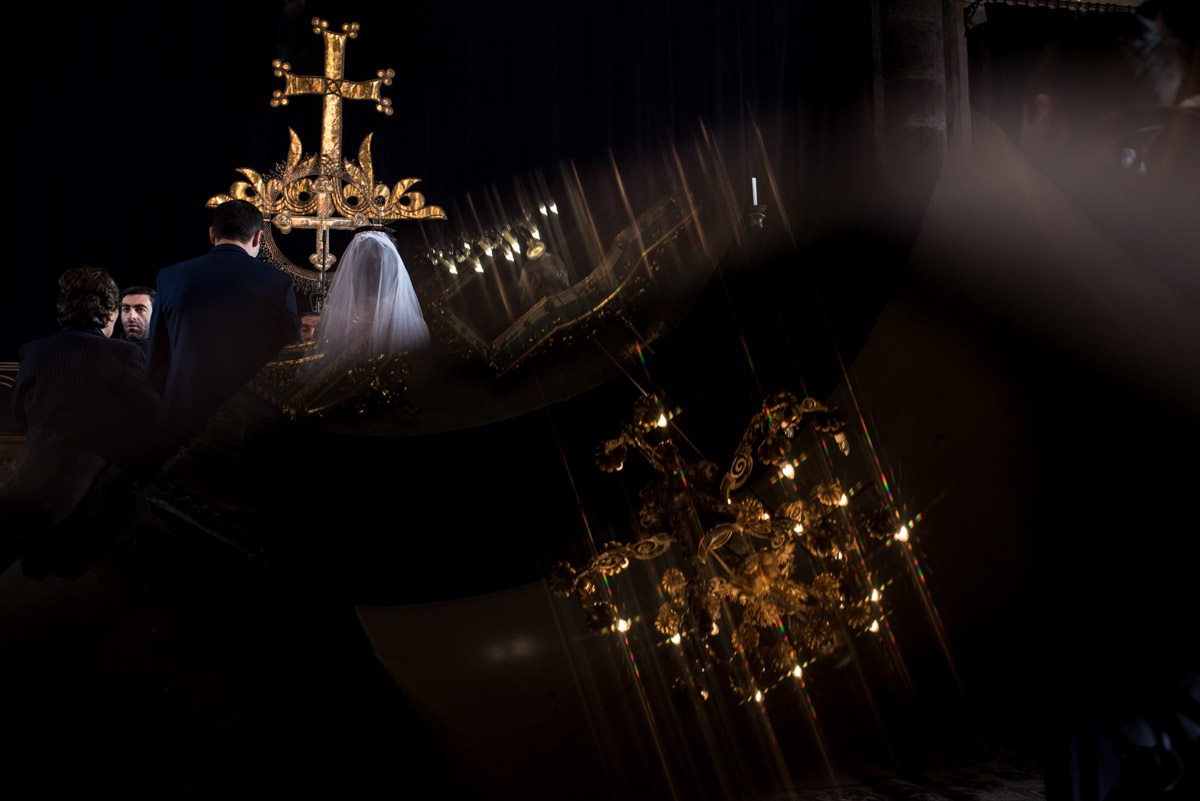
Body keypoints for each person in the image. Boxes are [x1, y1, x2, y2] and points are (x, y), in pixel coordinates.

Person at [2, 267, 159, 562]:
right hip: (84, 509)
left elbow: (20, 418)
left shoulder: (32, 351)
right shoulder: (123, 354)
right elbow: (154, 425)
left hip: (24, 492)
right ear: (111, 314)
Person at [148, 199, 300, 451]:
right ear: (258, 237)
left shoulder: (170, 277)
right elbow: (291, 361)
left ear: (212, 234)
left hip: (183, 423)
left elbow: (156, 364)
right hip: (252, 429)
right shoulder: (278, 282)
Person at [118, 285, 154, 353]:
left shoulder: (169, 352)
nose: (131, 316)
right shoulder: (108, 351)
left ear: (154, 313)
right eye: (126, 309)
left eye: (140, 309)